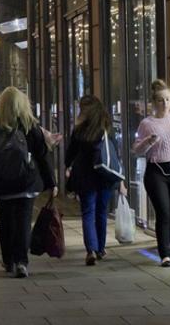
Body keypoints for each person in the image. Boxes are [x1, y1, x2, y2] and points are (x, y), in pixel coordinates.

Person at [0, 86, 56, 278]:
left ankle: (8, 260)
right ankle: (21, 262)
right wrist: (52, 183)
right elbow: (42, 156)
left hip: (2, 183)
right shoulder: (29, 125)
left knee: (6, 222)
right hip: (26, 183)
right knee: (24, 222)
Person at [65, 94, 124, 266]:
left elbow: (70, 154)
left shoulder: (79, 130)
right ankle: (100, 248)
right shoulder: (106, 127)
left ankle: (90, 249)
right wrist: (120, 180)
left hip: (85, 176)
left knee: (88, 212)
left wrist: (68, 166)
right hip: (104, 175)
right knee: (101, 212)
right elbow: (114, 153)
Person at [132, 79, 170, 267]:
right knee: (164, 212)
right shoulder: (147, 123)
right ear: (154, 102)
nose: (165, 104)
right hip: (156, 171)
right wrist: (148, 142)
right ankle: (165, 254)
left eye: (168, 99)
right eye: (161, 100)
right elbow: (136, 150)